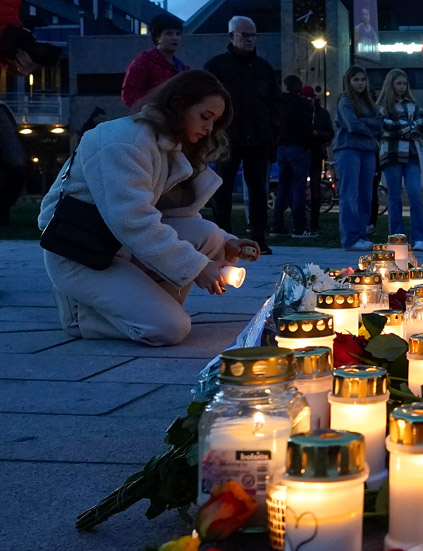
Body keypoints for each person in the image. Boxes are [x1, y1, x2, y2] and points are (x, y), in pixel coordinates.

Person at [38, 70, 259, 346]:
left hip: (119, 246)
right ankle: (79, 314)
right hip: (80, 253)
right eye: (205, 117)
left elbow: (175, 217)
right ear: (179, 105)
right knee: (169, 329)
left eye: (214, 122)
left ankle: (144, 306)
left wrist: (228, 242)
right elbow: (133, 220)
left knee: (209, 235)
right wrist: (196, 267)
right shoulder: (123, 142)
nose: (209, 130)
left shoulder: (167, 148)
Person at [204, 16, 281, 254]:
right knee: (222, 189)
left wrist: (271, 132)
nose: (249, 40)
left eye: (253, 35)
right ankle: (223, 238)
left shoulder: (264, 68)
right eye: (244, 35)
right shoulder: (216, 67)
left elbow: (274, 104)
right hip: (228, 138)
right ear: (231, 36)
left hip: (258, 138)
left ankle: (259, 237)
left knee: (258, 189)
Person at [376, 69, 423, 251]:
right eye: (398, 83)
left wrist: (401, 127)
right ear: (391, 85)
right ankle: (397, 238)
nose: (402, 87)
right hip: (391, 155)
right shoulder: (382, 106)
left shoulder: (413, 105)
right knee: (394, 196)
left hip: (411, 154)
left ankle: (419, 238)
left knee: (415, 193)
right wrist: (410, 127)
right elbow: (384, 128)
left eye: (404, 84)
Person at [333, 65, 381, 252]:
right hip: (348, 149)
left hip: (368, 150)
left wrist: (366, 123)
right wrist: (370, 126)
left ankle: (361, 235)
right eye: (356, 80)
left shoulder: (370, 102)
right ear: (349, 82)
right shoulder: (345, 101)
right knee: (349, 195)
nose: (360, 83)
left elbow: (380, 123)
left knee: (365, 195)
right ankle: (350, 238)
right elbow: (352, 125)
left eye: (362, 79)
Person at [271, 75, 313, 238]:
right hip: (297, 147)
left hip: (282, 146)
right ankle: (299, 227)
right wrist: (308, 144)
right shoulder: (303, 105)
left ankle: (276, 225)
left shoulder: (278, 104)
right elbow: (306, 127)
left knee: (283, 189)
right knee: (299, 188)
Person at [121, 13, 189, 109]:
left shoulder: (182, 68)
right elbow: (129, 93)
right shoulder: (144, 62)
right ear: (157, 37)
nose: (175, 38)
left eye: (178, 34)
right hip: (152, 119)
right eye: (169, 33)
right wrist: (148, 111)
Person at [303, 85, 333, 235]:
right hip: (306, 152)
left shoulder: (321, 114)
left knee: (315, 188)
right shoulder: (306, 112)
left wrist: (318, 134)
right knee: (304, 188)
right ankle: (304, 222)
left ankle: (314, 221)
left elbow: (329, 133)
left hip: (315, 153)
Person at [0, 98, 25, 226]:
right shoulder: (4, 109)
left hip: (11, 159)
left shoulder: (3, 109)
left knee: (10, 188)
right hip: (13, 160)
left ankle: (4, 217)